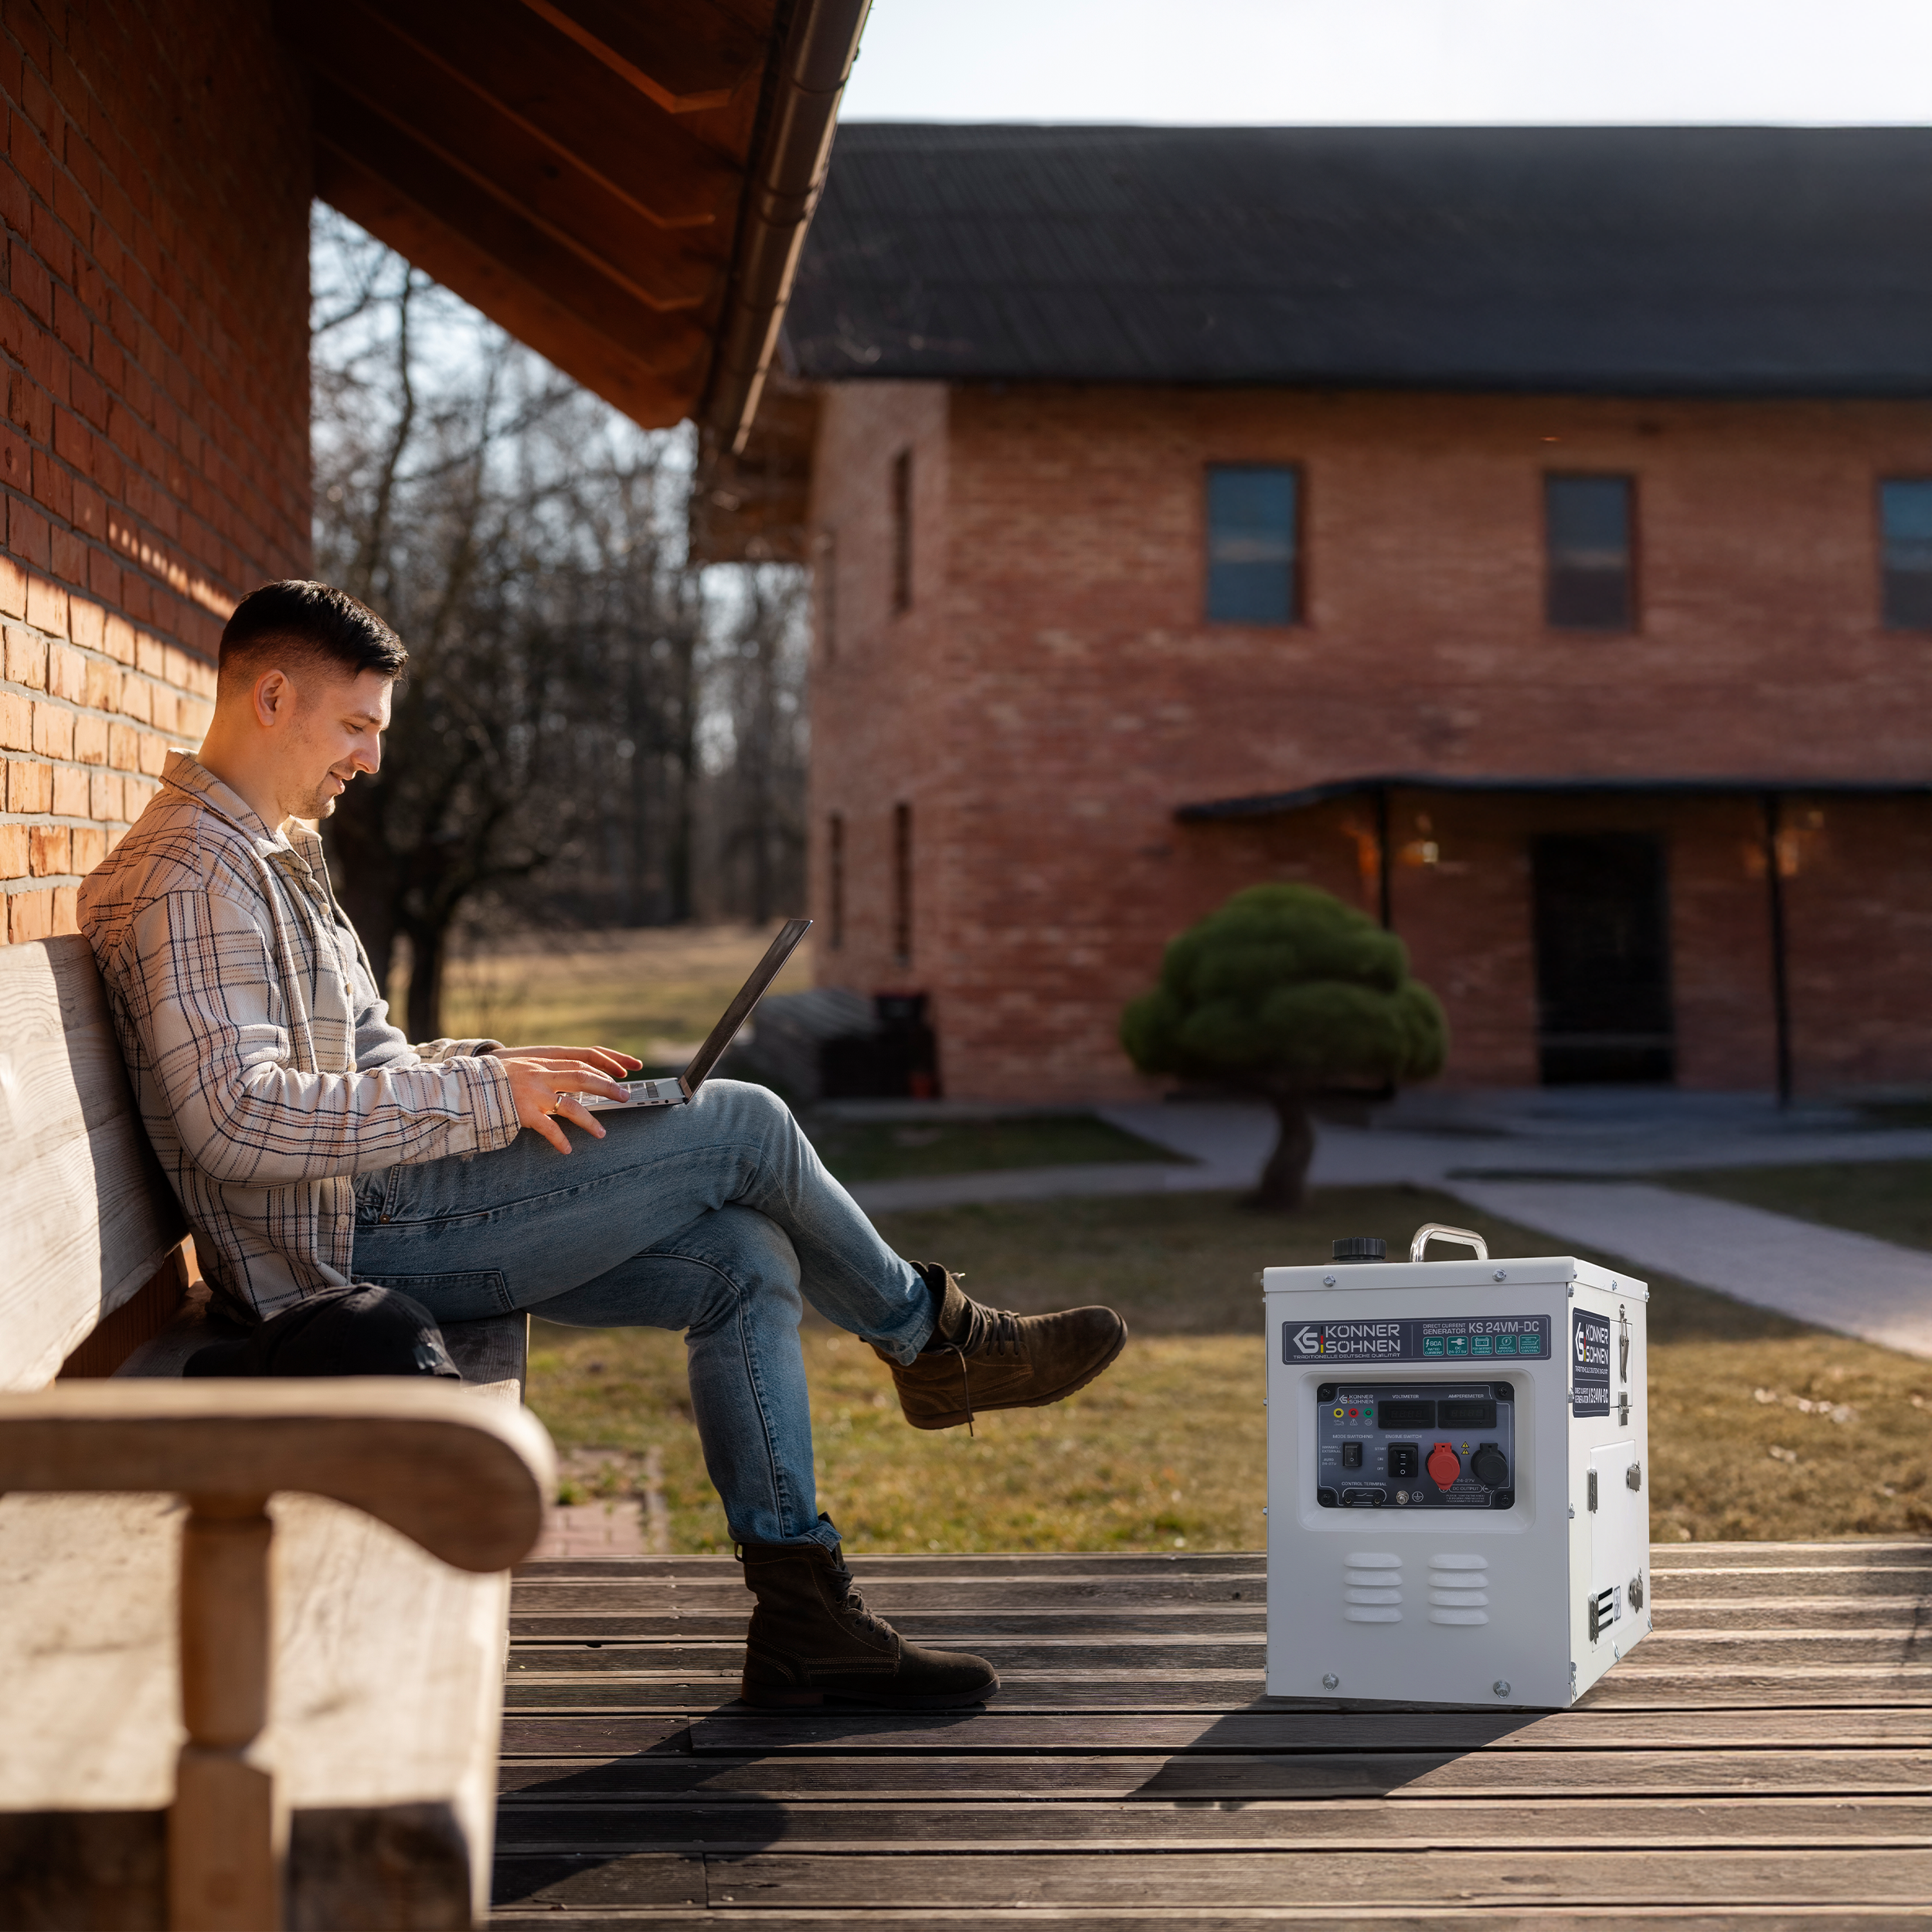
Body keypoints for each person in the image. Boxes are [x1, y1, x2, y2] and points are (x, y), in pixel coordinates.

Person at [79, 580, 1127, 1711]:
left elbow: (363, 1061)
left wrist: (503, 1064)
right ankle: (937, 1341)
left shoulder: (269, 854)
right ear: (271, 697)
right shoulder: (196, 878)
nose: (369, 760)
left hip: (385, 1203)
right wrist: (487, 1096)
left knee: (745, 1261)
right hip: (344, 1248)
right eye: (357, 726)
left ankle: (803, 1618)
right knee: (748, 1122)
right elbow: (238, 1117)